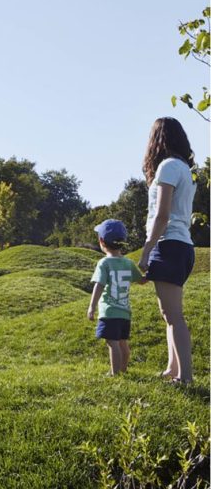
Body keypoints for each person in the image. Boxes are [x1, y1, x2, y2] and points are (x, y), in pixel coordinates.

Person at [137, 117, 196, 384]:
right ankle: (172, 369)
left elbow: (162, 215)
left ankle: (184, 376)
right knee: (169, 315)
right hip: (183, 246)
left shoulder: (168, 167)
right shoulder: (185, 168)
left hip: (168, 244)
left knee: (174, 316)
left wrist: (147, 249)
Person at [87, 219, 146, 376]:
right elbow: (141, 281)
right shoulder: (128, 263)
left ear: (101, 241)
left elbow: (99, 285)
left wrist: (91, 307)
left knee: (112, 343)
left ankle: (115, 374)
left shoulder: (104, 263)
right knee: (123, 344)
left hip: (109, 311)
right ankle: (124, 369)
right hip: (125, 312)